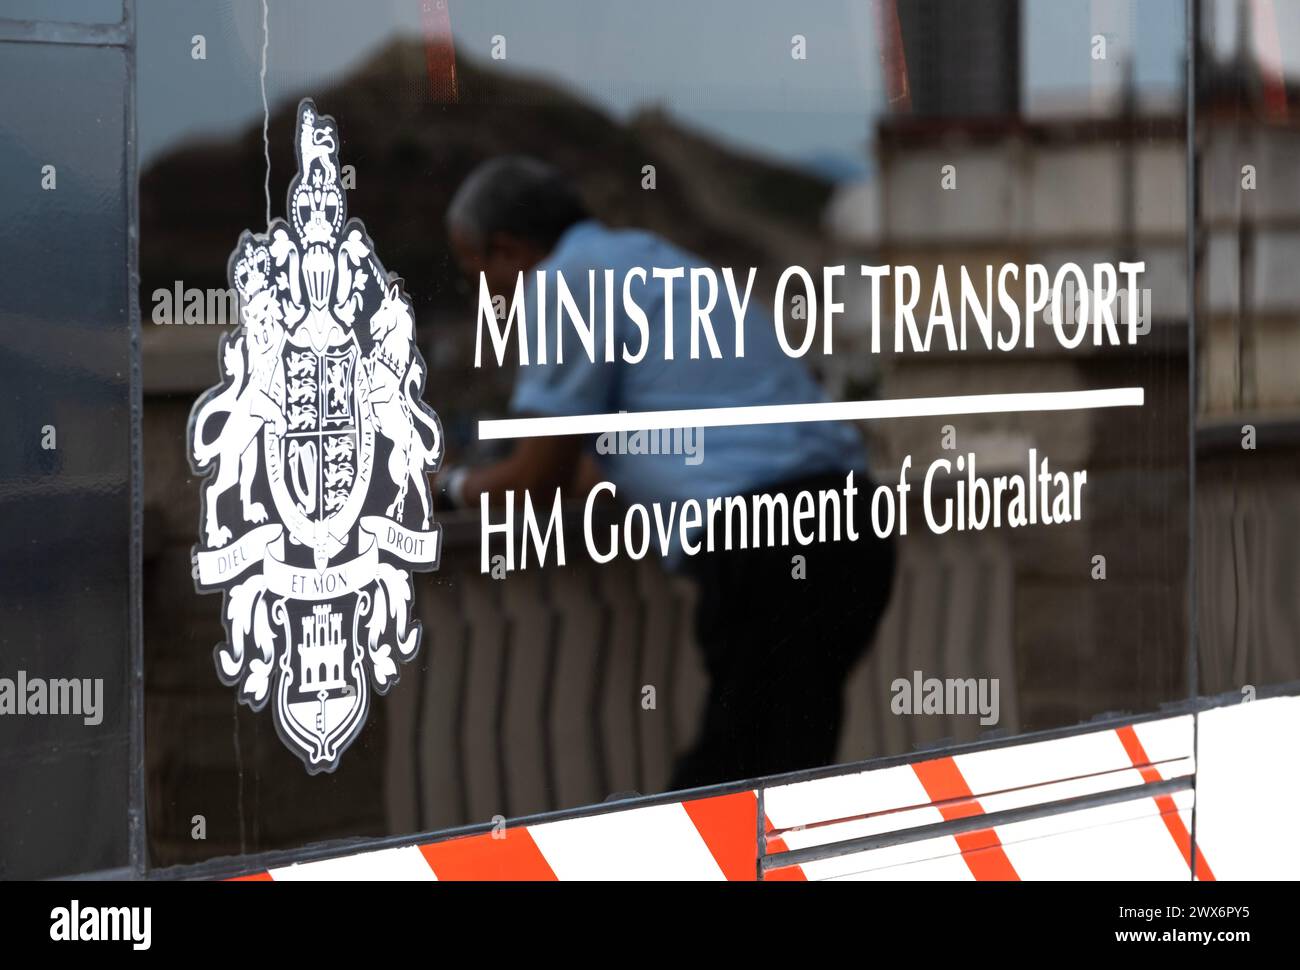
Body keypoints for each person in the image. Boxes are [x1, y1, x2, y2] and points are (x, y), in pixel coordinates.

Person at [440, 156, 895, 789]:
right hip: (851, 525)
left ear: (507, 250)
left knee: (730, 787)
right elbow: (600, 463)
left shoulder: (565, 282)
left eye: (474, 275)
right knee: (782, 773)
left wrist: (448, 488)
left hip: (770, 539)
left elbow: (537, 481)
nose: (483, 297)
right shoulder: (653, 263)